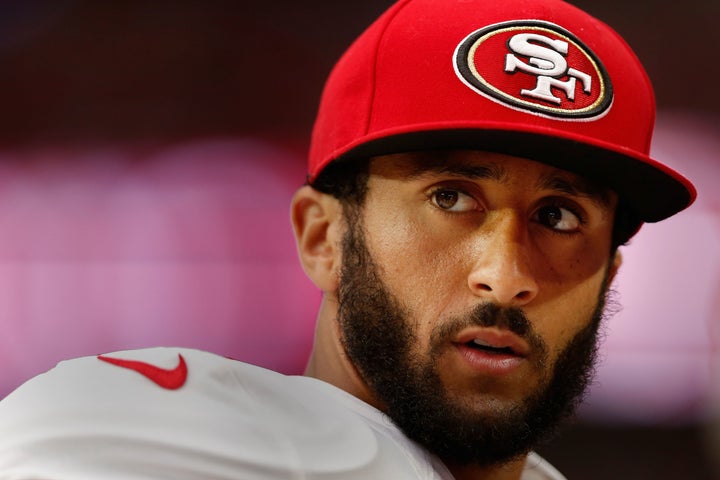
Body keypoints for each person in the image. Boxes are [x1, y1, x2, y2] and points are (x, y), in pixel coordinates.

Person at [0, 0, 696, 479]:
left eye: (559, 216)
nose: (505, 274)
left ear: (610, 273)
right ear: (322, 236)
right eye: (450, 198)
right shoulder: (136, 431)